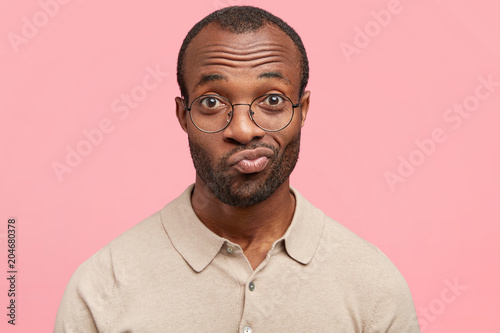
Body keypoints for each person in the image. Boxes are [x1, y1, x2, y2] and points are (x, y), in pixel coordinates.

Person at [55, 6, 420, 332]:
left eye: (272, 100)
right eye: (212, 102)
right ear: (184, 116)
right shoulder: (102, 287)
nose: (244, 130)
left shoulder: (374, 285)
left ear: (302, 110)